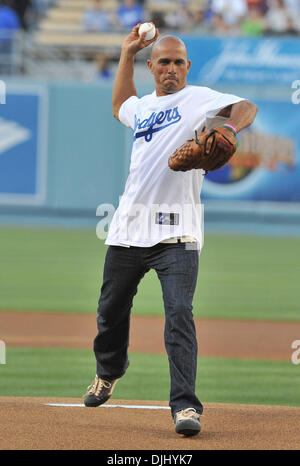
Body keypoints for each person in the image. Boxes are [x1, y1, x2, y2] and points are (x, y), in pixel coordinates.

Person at [83, 24, 258, 436]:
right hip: (127, 227)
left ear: (187, 67)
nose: (171, 69)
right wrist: (125, 53)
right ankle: (109, 372)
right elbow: (120, 104)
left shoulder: (199, 99)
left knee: (179, 313)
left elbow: (247, 106)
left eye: (179, 62)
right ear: (152, 67)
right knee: (110, 311)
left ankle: (185, 407)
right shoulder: (142, 107)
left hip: (177, 232)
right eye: (164, 62)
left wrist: (229, 128)